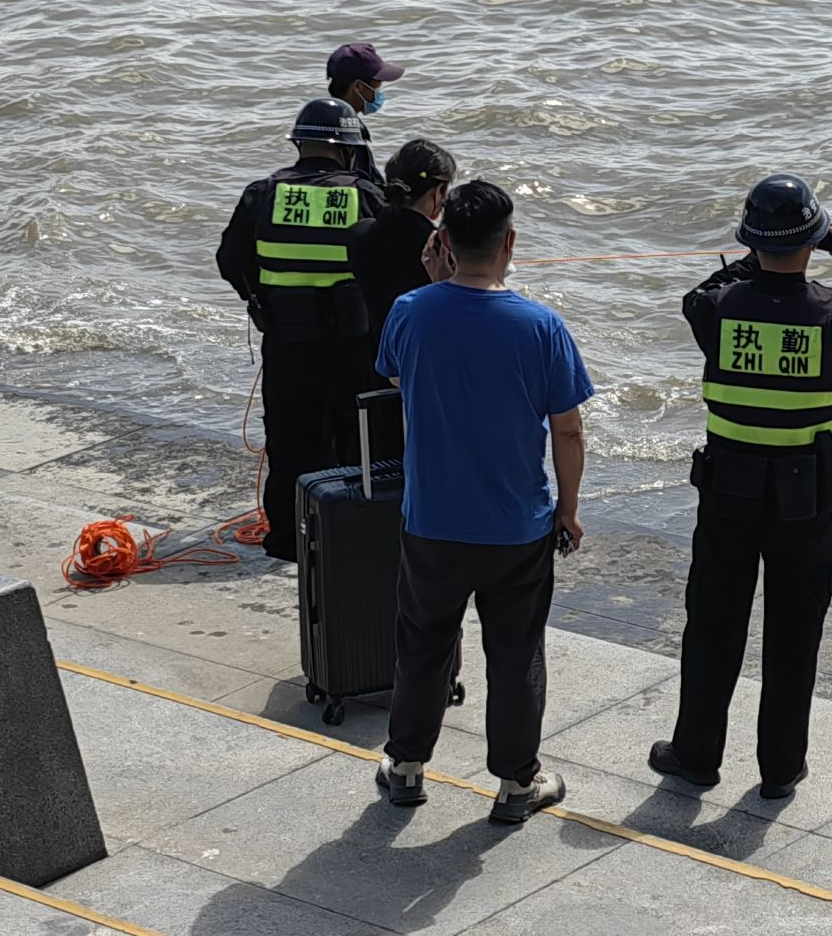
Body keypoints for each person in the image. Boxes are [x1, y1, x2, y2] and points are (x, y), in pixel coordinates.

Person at [648, 174, 832, 801]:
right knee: (795, 632)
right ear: (816, 237)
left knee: (713, 625)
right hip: (804, 496)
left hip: (726, 493)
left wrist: (764, 246)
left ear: (750, 239)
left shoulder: (716, 310)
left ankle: (695, 756)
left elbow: (710, 287)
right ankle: (780, 767)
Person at [370, 180, 593, 821]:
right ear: (510, 243)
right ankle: (518, 784)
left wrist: (434, 283)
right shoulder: (542, 325)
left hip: (432, 519)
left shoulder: (410, 310)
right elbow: (568, 427)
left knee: (423, 643)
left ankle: (407, 766)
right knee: (516, 654)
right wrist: (569, 510)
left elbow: (396, 372)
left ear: (442, 242)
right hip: (516, 525)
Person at [215, 99, 385, 561]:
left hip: (287, 344)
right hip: (351, 348)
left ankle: (288, 541)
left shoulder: (263, 193)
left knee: (290, 444)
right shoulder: (365, 195)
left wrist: (261, 301)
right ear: (349, 150)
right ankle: (349, 540)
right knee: (356, 447)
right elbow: (390, 263)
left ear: (298, 144)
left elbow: (230, 261)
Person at [351, 138, 457, 349]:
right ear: (438, 192)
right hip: (426, 363)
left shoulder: (359, 233)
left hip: (377, 362)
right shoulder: (441, 248)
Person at [326, 42, 406, 182]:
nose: (379, 93)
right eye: (377, 86)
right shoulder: (348, 130)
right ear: (358, 87)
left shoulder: (321, 119)